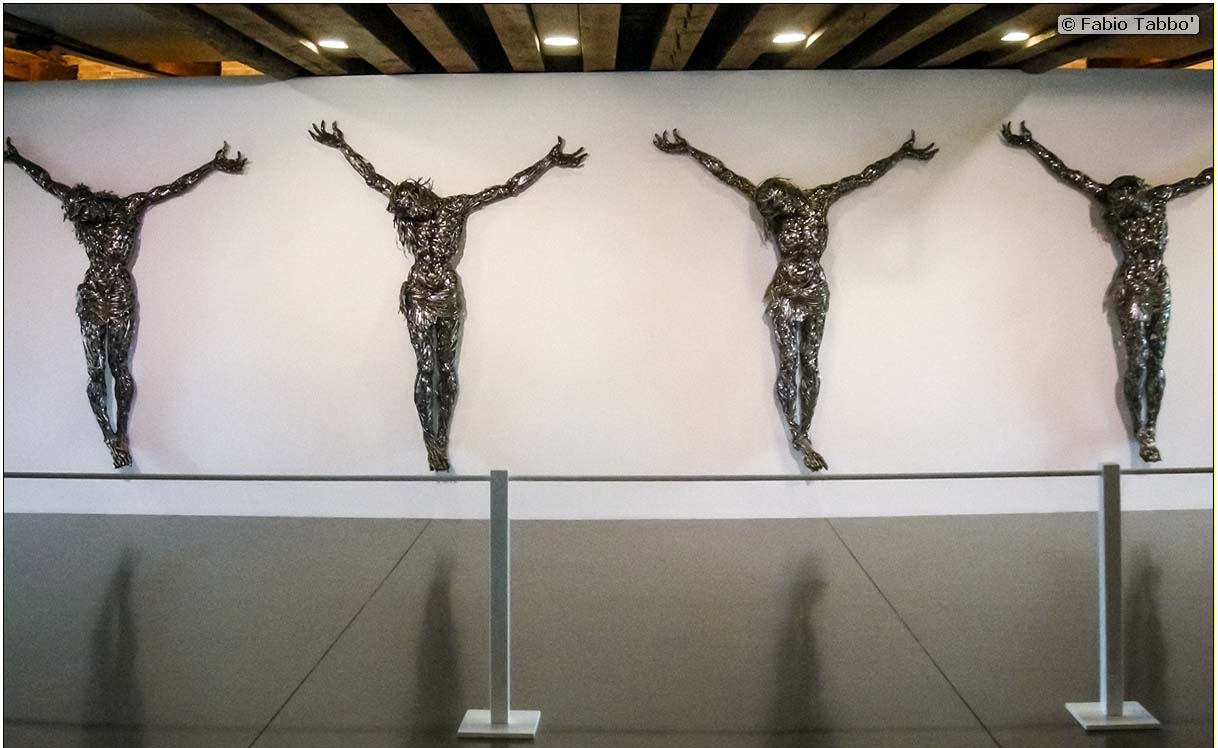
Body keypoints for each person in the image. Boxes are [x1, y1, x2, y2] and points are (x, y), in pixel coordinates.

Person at [310, 122, 586, 471]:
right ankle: (430, 440)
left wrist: (548, 161)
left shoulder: (455, 208)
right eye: (406, 215)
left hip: (446, 292)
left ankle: (442, 437)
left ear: (421, 198)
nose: (411, 220)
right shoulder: (405, 206)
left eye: (413, 212)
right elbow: (372, 177)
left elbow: (507, 188)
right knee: (425, 368)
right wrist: (341, 146)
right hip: (418, 293)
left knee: (446, 368)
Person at [654, 129, 936, 470]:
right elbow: (727, 175)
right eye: (770, 210)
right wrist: (690, 151)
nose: (777, 212)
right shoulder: (775, 212)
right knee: (788, 364)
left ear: (785, 192)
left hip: (814, 289)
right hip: (786, 290)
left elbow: (864, 177)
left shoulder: (821, 199)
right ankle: (797, 435)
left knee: (810, 363)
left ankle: (806, 430)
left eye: (777, 204)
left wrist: (901, 155)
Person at [4, 138, 247, 467]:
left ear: (93, 202)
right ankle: (109, 437)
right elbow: (46, 181)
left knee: (119, 367)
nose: (82, 220)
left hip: (119, 292)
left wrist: (212, 166)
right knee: (95, 371)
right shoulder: (77, 207)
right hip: (93, 293)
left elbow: (172, 187)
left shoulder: (130, 208)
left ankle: (121, 433)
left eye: (85, 213)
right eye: (78, 217)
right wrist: (18, 159)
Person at [1002, 121, 1212, 462]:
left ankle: (1150, 430)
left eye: (1124, 202)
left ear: (1136, 192)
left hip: (1159, 284)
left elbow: (1201, 178)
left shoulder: (1158, 197)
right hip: (1131, 286)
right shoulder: (1109, 197)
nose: (1118, 211)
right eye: (1115, 206)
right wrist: (1031, 144)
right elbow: (1068, 173)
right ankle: (1141, 431)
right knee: (1137, 361)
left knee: (1156, 361)